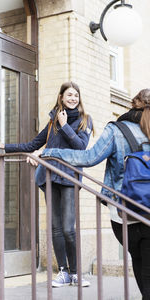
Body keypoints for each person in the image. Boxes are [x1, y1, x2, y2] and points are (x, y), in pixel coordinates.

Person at [39, 88, 150, 299]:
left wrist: (50, 153)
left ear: (133, 104)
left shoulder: (117, 129)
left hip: (125, 212)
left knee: (139, 259)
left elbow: (89, 157)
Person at [0, 81, 94, 288]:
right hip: (49, 178)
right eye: (69, 95)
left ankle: (75, 273)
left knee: (68, 228)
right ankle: (63, 273)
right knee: (56, 228)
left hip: (69, 180)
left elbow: (81, 147)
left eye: (76, 95)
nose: (73, 98)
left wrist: (65, 126)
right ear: (61, 98)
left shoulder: (85, 120)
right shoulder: (52, 122)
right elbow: (32, 145)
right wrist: (5, 146)